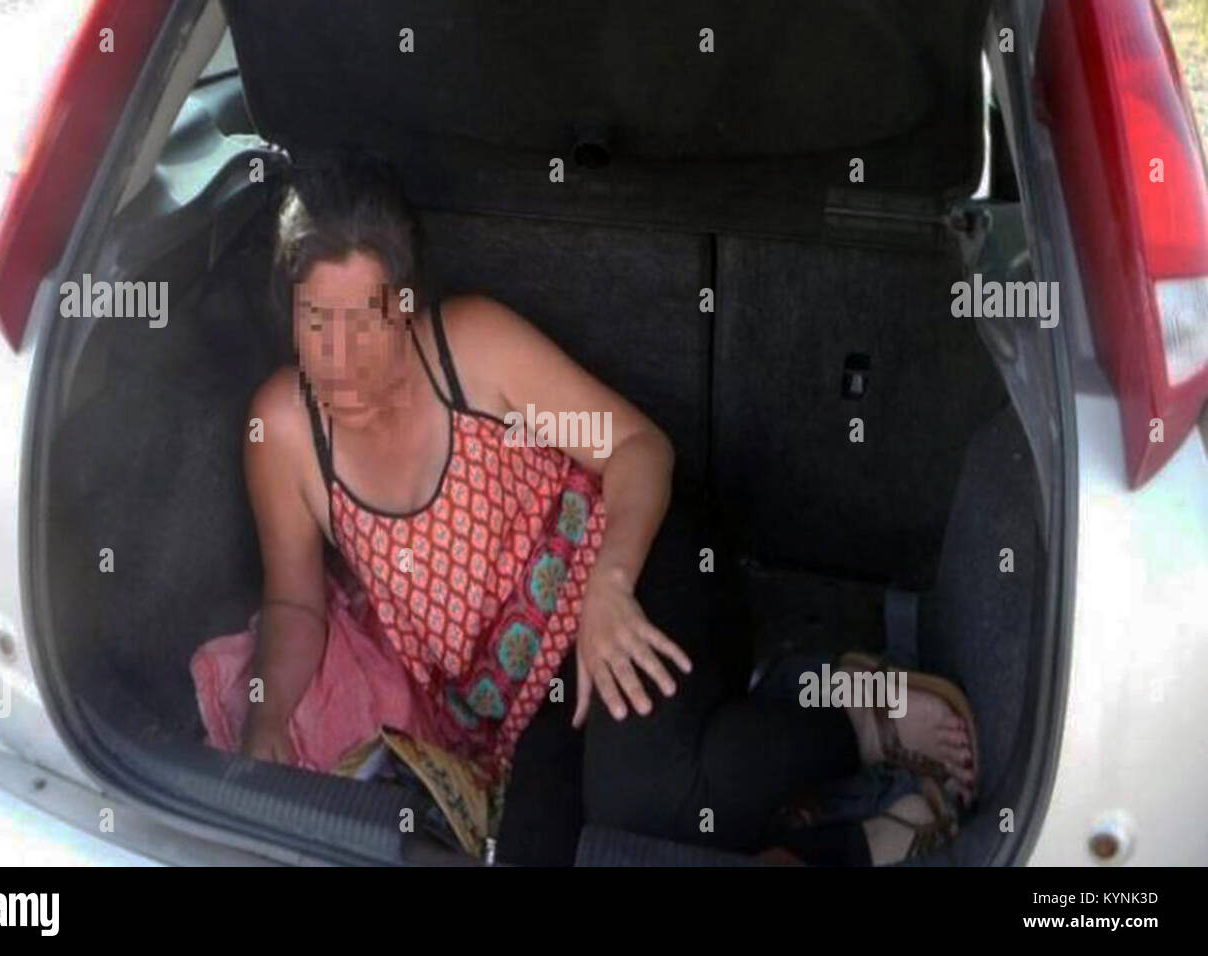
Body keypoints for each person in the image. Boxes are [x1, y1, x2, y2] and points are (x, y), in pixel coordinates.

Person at [240, 152, 977, 865]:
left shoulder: (472, 352)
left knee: (650, 804)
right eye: (316, 321)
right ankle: (839, 825)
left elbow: (637, 447)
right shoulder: (283, 429)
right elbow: (295, 602)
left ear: (406, 306)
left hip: (640, 562)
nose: (340, 358)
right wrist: (268, 715)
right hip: (525, 703)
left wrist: (608, 586)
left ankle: (849, 720)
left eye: (365, 320)